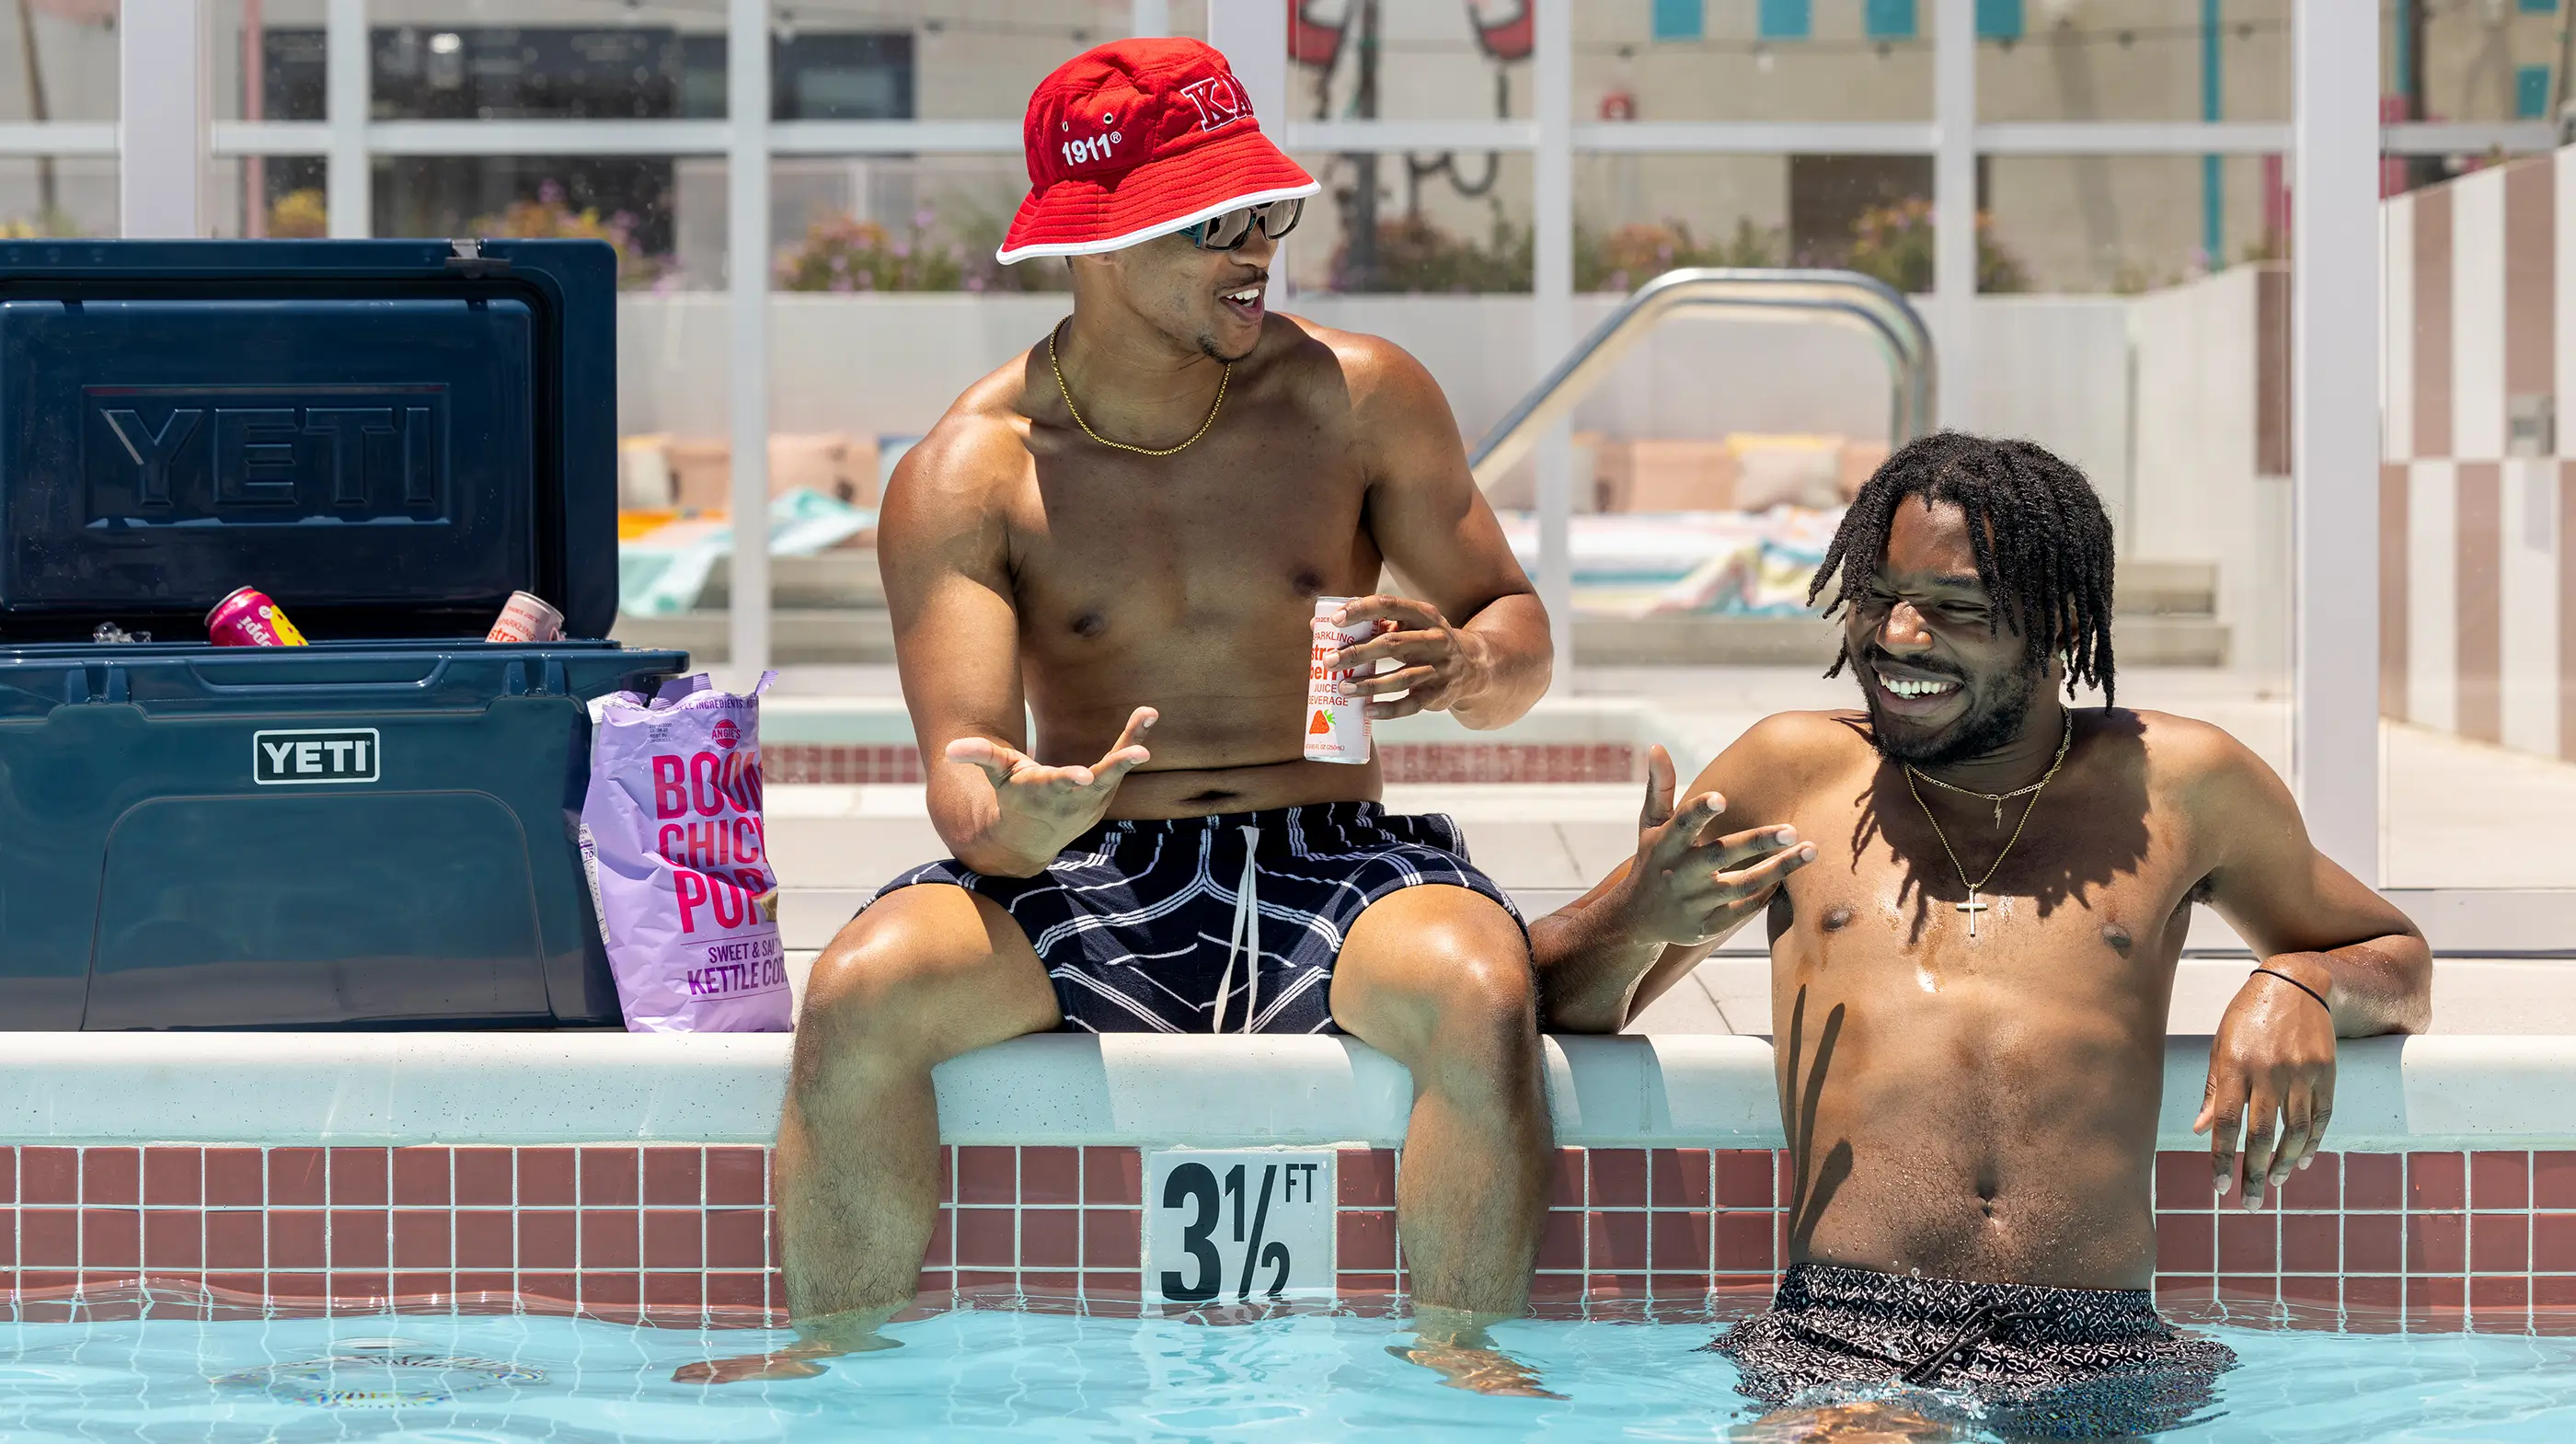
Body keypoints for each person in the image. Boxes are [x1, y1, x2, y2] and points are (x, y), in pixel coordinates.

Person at [684, 37, 1555, 1391]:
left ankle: (1458, 1374)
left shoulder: (1354, 397)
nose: (1255, 250)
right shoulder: (972, 472)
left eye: (1267, 211)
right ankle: (840, 1374)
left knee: (1485, 994)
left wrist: (1471, 666)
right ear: (1097, 239)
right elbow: (966, 779)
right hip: (1090, 866)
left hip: (1327, 854)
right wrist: (1015, 816)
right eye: (1213, 224)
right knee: (856, 995)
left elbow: (1515, 622)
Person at [1530, 432, 2432, 1438]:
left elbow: (2397, 962)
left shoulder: (2179, 785)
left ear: (2057, 624)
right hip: (1847, 1338)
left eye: (1955, 607)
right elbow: (1554, 1001)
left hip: (2103, 1348)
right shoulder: (1792, 774)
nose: (1898, 636)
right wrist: (1634, 922)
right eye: (1876, 596)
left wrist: (2302, 985)